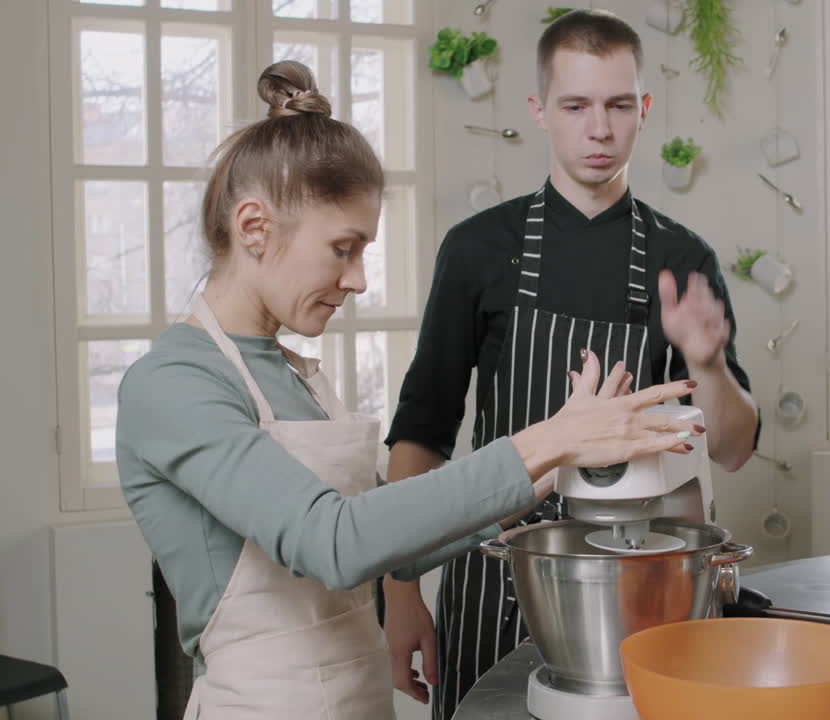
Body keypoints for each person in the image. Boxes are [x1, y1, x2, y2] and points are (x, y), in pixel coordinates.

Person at [116, 60, 704, 720]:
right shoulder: (171, 385)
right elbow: (336, 543)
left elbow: (392, 536)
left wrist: (556, 464)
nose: (360, 279)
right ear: (253, 228)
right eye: (344, 248)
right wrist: (546, 439)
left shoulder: (290, 373)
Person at [381, 10, 760, 718]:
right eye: (576, 106)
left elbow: (734, 449)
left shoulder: (683, 259)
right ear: (540, 112)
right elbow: (422, 431)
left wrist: (706, 363)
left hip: (633, 584)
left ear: (644, 110)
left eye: (619, 105)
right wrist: (401, 596)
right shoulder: (476, 250)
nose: (599, 128)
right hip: (493, 570)